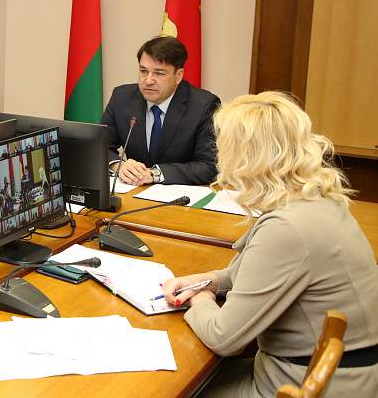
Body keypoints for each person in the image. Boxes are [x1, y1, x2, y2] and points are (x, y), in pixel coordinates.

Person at [161, 92, 378, 397]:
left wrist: (200, 300)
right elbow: (258, 273)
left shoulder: (286, 229)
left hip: (300, 383)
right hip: (329, 372)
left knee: (166, 386)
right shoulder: (316, 200)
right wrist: (210, 280)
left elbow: (224, 337)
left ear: (243, 157)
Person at [101, 36, 219, 186]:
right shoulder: (122, 98)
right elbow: (99, 147)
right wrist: (118, 165)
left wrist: (155, 174)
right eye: (143, 71)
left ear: (178, 76)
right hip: (132, 192)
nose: (148, 80)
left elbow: (209, 166)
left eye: (159, 73)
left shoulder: (203, 105)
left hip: (178, 196)